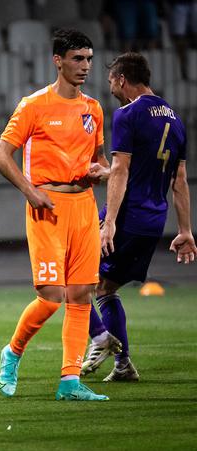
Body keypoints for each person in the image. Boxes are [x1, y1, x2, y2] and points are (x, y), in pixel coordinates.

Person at [0, 29, 111, 401]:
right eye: (78, 58)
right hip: (48, 208)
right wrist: (32, 192)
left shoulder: (93, 108)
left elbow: (101, 161)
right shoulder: (34, 105)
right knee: (50, 296)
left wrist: (102, 172)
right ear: (57, 60)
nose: (85, 66)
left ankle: (70, 382)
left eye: (89, 59)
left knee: (81, 294)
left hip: (84, 207)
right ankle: (11, 353)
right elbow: (0, 156)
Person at [80, 52, 196, 382]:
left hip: (127, 217)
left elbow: (123, 169)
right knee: (106, 288)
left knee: (70, 276)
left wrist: (110, 222)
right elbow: (179, 179)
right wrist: (186, 230)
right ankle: (123, 364)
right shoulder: (175, 119)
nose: (111, 89)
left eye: (112, 83)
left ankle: (100, 339)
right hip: (153, 220)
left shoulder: (127, 114)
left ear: (121, 79)